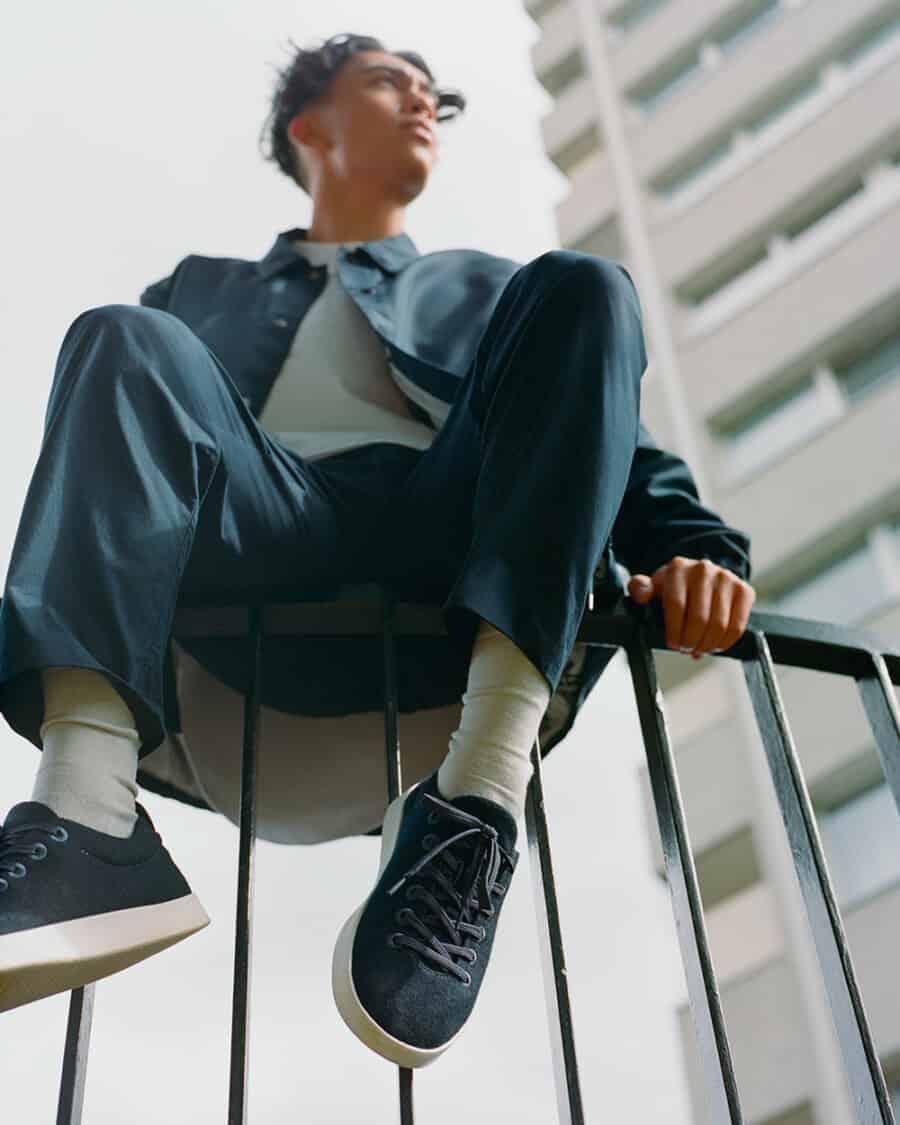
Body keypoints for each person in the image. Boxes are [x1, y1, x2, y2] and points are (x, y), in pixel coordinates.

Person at [0, 32, 755, 1065]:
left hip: (447, 560)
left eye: (433, 94)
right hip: (261, 544)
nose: (422, 103)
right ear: (311, 127)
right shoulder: (203, 288)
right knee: (120, 336)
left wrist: (697, 553)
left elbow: (616, 445)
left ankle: (476, 808)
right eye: (391, 83)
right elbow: (128, 440)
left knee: (586, 286)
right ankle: (85, 816)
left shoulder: (490, 287)